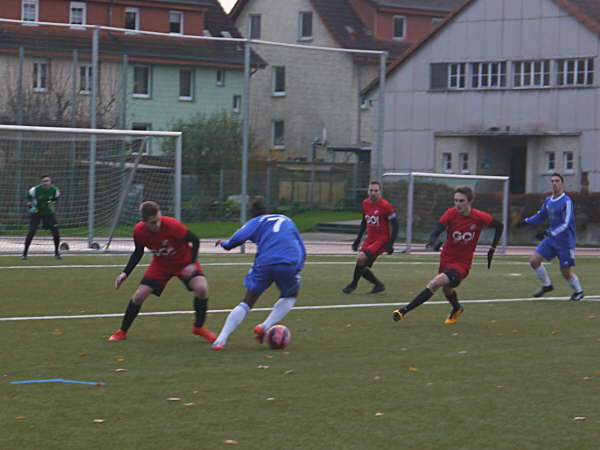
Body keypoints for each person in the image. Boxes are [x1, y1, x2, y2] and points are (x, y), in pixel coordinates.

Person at [108, 201, 216, 342]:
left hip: (184, 262)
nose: (158, 224)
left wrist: (191, 264)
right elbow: (138, 252)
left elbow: (195, 240)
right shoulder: (139, 231)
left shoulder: (172, 225)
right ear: (145, 222)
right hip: (161, 265)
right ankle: (122, 332)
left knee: (201, 289)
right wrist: (125, 273)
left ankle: (199, 328)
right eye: (153, 222)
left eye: (158, 219)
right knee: (139, 296)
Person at [392, 186, 503, 324]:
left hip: (462, 264)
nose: (458, 204)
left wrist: (492, 248)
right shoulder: (450, 213)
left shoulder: (479, 217)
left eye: (461, 201)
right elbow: (436, 231)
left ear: (470, 201)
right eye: (456, 200)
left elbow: (500, 226)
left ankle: (403, 311)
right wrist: (433, 240)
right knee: (447, 290)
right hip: (446, 259)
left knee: (435, 283)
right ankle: (457, 308)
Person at [211, 201, 306, 351]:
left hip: (265, 262)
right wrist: (297, 267)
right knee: (290, 295)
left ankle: (220, 340)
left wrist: (224, 244)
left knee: (247, 302)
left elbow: (237, 238)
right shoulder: (285, 219)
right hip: (288, 262)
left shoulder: (256, 221)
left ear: (253, 214)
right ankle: (265, 326)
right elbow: (301, 246)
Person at [516, 172, 583, 301]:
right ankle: (547, 285)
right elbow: (541, 215)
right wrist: (525, 222)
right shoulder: (548, 200)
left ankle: (579, 291)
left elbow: (566, 223)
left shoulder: (566, 201)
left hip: (565, 242)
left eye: (557, 181)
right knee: (534, 261)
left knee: (565, 273)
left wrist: (547, 232)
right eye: (552, 181)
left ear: (562, 183)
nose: (554, 184)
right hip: (551, 240)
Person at [342, 180, 398, 294]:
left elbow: (396, 225)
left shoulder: (386, 206)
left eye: (375, 191)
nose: (373, 193)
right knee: (361, 265)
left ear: (380, 192)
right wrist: (358, 239)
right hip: (370, 239)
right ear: (368, 191)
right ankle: (378, 285)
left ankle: (353, 284)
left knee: (361, 258)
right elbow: (364, 222)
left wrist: (390, 243)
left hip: (381, 240)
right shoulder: (365, 203)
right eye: (371, 190)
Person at [23, 174, 61, 259]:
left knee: (56, 233)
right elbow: (27, 198)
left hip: (49, 213)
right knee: (31, 232)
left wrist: (49, 203)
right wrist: (31, 207)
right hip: (37, 213)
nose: (46, 183)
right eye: (44, 181)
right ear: (41, 182)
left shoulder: (55, 190)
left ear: (50, 182)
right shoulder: (35, 190)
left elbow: (55, 199)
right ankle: (24, 254)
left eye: (47, 181)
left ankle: (56, 253)